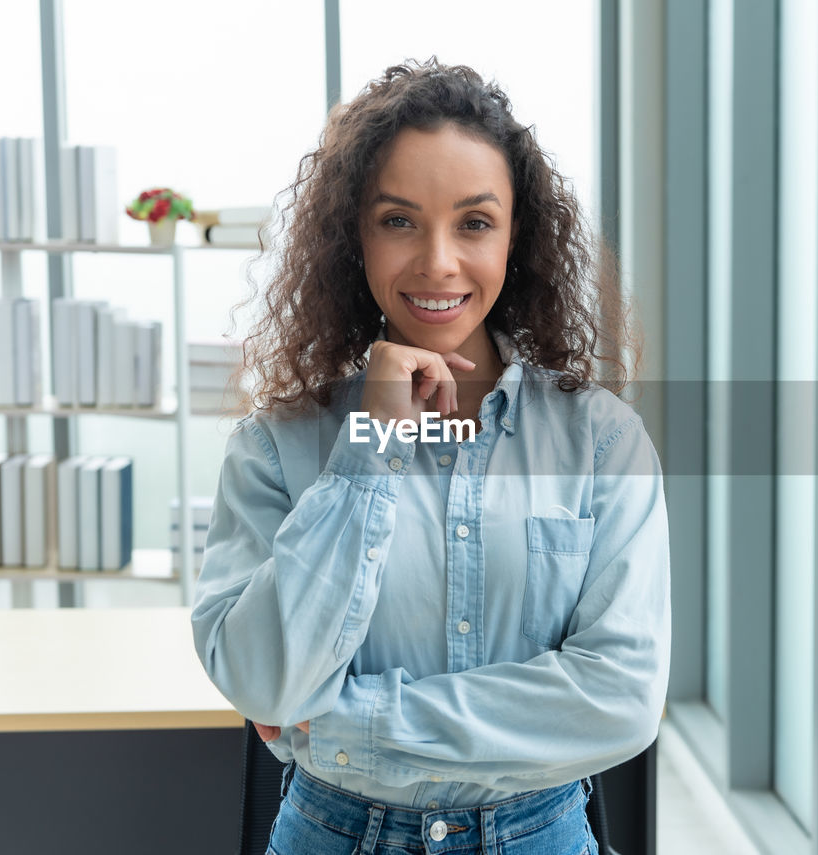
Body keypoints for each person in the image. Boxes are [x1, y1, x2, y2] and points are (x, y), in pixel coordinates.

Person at [191, 57, 670, 855]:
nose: (438, 262)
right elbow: (265, 683)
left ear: (518, 236)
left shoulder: (601, 440)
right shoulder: (279, 442)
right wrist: (370, 449)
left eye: (474, 223)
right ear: (357, 236)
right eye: (399, 220)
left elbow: (620, 698)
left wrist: (350, 721)